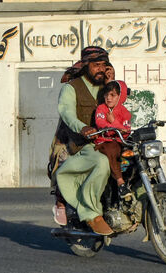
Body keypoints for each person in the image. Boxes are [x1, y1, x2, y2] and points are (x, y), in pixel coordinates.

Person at [48, 46, 114, 235]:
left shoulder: (107, 87)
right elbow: (67, 113)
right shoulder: (71, 88)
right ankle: (91, 213)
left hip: (105, 141)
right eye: (96, 65)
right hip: (81, 144)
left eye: (104, 65)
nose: (100, 69)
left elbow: (119, 108)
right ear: (86, 66)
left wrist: (112, 83)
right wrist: (82, 127)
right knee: (102, 162)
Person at [93, 80, 133, 200]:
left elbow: (127, 131)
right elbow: (100, 123)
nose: (109, 98)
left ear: (120, 96)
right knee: (112, 149)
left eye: (113, 95)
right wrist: (116, 126)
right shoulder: (101, 108)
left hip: (119, 142)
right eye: (106, 95)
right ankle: (121, 183)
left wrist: (113, 122)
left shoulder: (125, 113)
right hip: (103, 142)